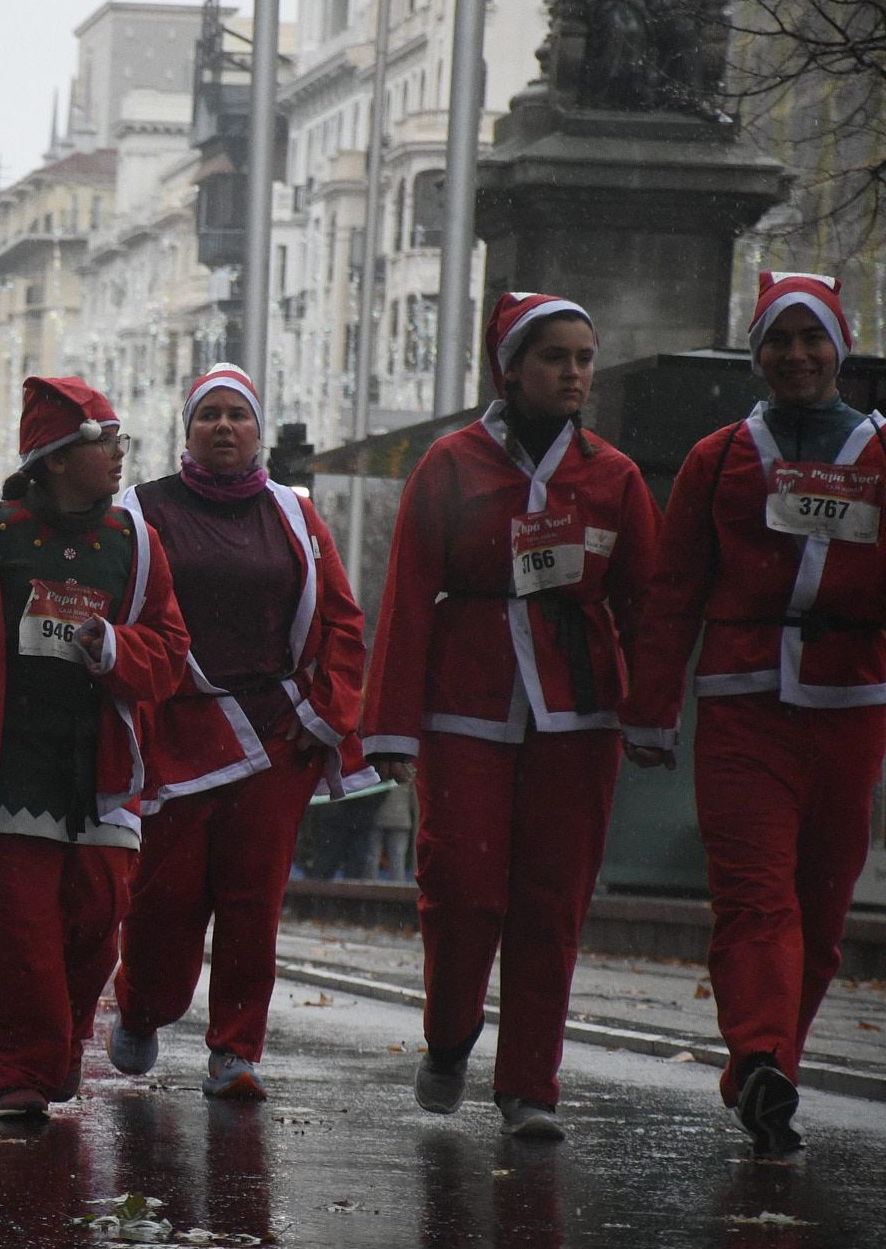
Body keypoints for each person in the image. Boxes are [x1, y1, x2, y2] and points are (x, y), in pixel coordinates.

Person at [363, 292, 660, 1140]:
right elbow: (410, 597)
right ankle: (451, 1034)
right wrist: (388, 727)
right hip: (468, 703)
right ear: (511, 369)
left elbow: (648, 601)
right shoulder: (451, 464)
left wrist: (651, 712)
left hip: (579, 711)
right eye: (554, 357)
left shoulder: (614, 475)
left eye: (583, 358)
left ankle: (530, 1084)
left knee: (551, 897)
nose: (572, 373)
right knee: (460, 885)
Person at [622, 272, 886, 1158]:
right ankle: (764, 1051)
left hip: (850, 707)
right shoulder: (720, 456)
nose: (797, 356)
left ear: (839, 347)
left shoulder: (883, 455)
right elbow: (673, 591)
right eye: (780, 340)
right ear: (757, 353)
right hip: (743, 706)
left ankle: (765, 1069)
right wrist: (651, 712)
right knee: (755, 896)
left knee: (819, 909)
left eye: (813, 339)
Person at [0, 376, 189, 1119]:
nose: (120, 453)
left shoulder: (137, 542)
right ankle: (19, 1076)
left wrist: (115, 650)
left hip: (102, 769)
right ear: (60, 458)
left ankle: (57, 1050)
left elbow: (169, 644)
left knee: (97, 927)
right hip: (6, 769)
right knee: (21, 936)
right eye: (106, 441)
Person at [107, 363, 375, 1100]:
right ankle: (143, 1003)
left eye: (238, 415)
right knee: (166, 900)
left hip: (276, 739)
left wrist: (325, 712)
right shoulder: (141, 509)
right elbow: (119, 613)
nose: (224, 426)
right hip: (178, 736)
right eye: (209, 415)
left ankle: (235, 1049)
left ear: (257, 431)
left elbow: (343, 620)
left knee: (253, 902)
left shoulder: (294, 512)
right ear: (186, 431)